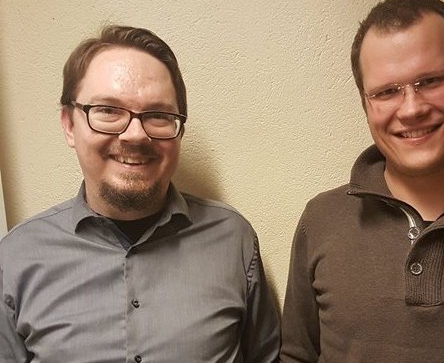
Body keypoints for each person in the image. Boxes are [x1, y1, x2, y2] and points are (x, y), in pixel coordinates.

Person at [280, 0, 444, 362]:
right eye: (386, 91)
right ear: (365, 102)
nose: (411, 109)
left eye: (430, 80)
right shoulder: (321, 221)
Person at [0, 25, 280, 362]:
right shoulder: (15, 258)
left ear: (179, 131)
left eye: (158, 115)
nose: (135, 135)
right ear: (69, 125)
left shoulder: (234, 240)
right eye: (108, 110)